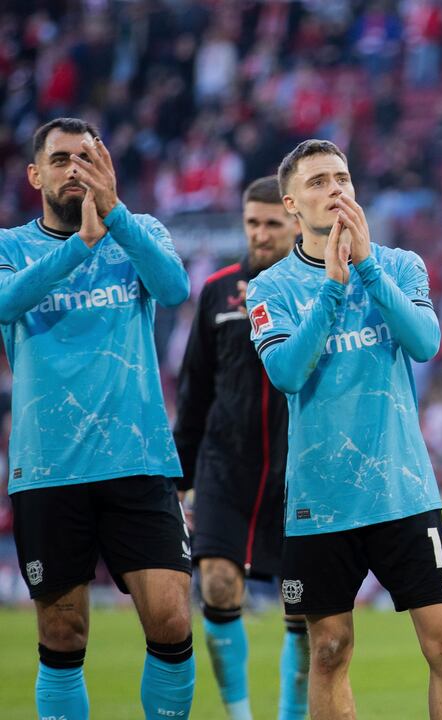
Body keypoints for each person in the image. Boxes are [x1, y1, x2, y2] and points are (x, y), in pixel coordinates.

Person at [246, 140, 442, 719]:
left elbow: (425, 344)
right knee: (328, 649)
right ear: (292, 204)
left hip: (403, 490)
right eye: (320, 181)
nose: (337, 190)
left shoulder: (400, 265)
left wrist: (367, 268)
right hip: (322, 501)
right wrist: (331, 287)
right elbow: (287, 374)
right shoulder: (270, 288)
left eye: (343, 178)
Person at [2, 118, 193, 719]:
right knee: (63, 635)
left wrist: (115, 218)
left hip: (136, 457)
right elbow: (6, 302)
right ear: (36, 174)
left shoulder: (140, 232)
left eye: (86, 157)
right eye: (60, 160)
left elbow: (173, 289)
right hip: (48, 465)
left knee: (169, 618)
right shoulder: (9, 247)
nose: (74, 170)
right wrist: (79, 245)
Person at [174, 175, 309, 720]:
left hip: (294, 470)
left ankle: (292, 715)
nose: (259, 234)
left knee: (302, 611)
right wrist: (182, 476)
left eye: (271, 223)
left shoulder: (315, 287)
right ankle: (240, 716)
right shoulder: (217, 291)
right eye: (252, 222)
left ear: (295, 222)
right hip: (224, 466)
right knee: (219, 583)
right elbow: (194, 388)